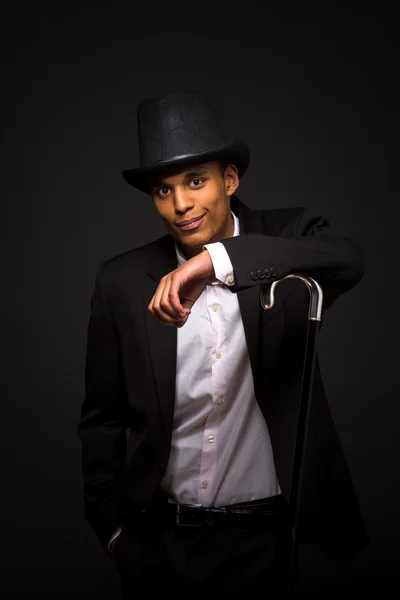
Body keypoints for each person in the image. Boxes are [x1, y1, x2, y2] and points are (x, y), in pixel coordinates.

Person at [77, 90, 369, 599]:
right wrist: (114, 534)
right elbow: (103, 418)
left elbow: (347, 259)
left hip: (266, 542)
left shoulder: (289, 238)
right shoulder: (120, 281)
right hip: (158, 542)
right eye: (163, 190)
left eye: (196, 181)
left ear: (229, 180)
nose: (181, 204)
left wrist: (218, 260)